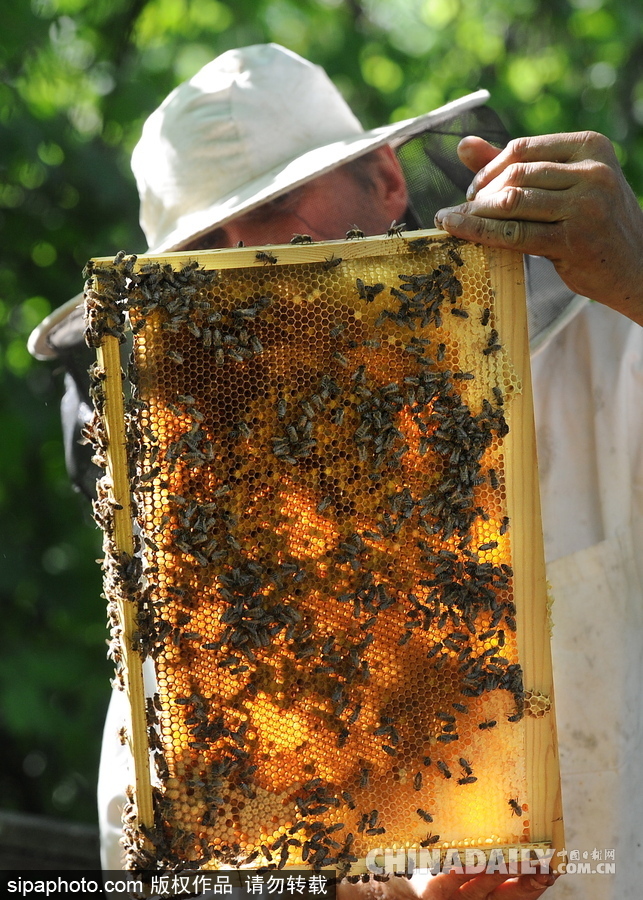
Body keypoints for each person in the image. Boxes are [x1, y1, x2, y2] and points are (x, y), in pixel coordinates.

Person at [28, 43, 643, 900]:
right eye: (207, 241)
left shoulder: (606, 358)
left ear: (387, 183)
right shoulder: (184, 587)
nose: (248, 258)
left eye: (279, 203)